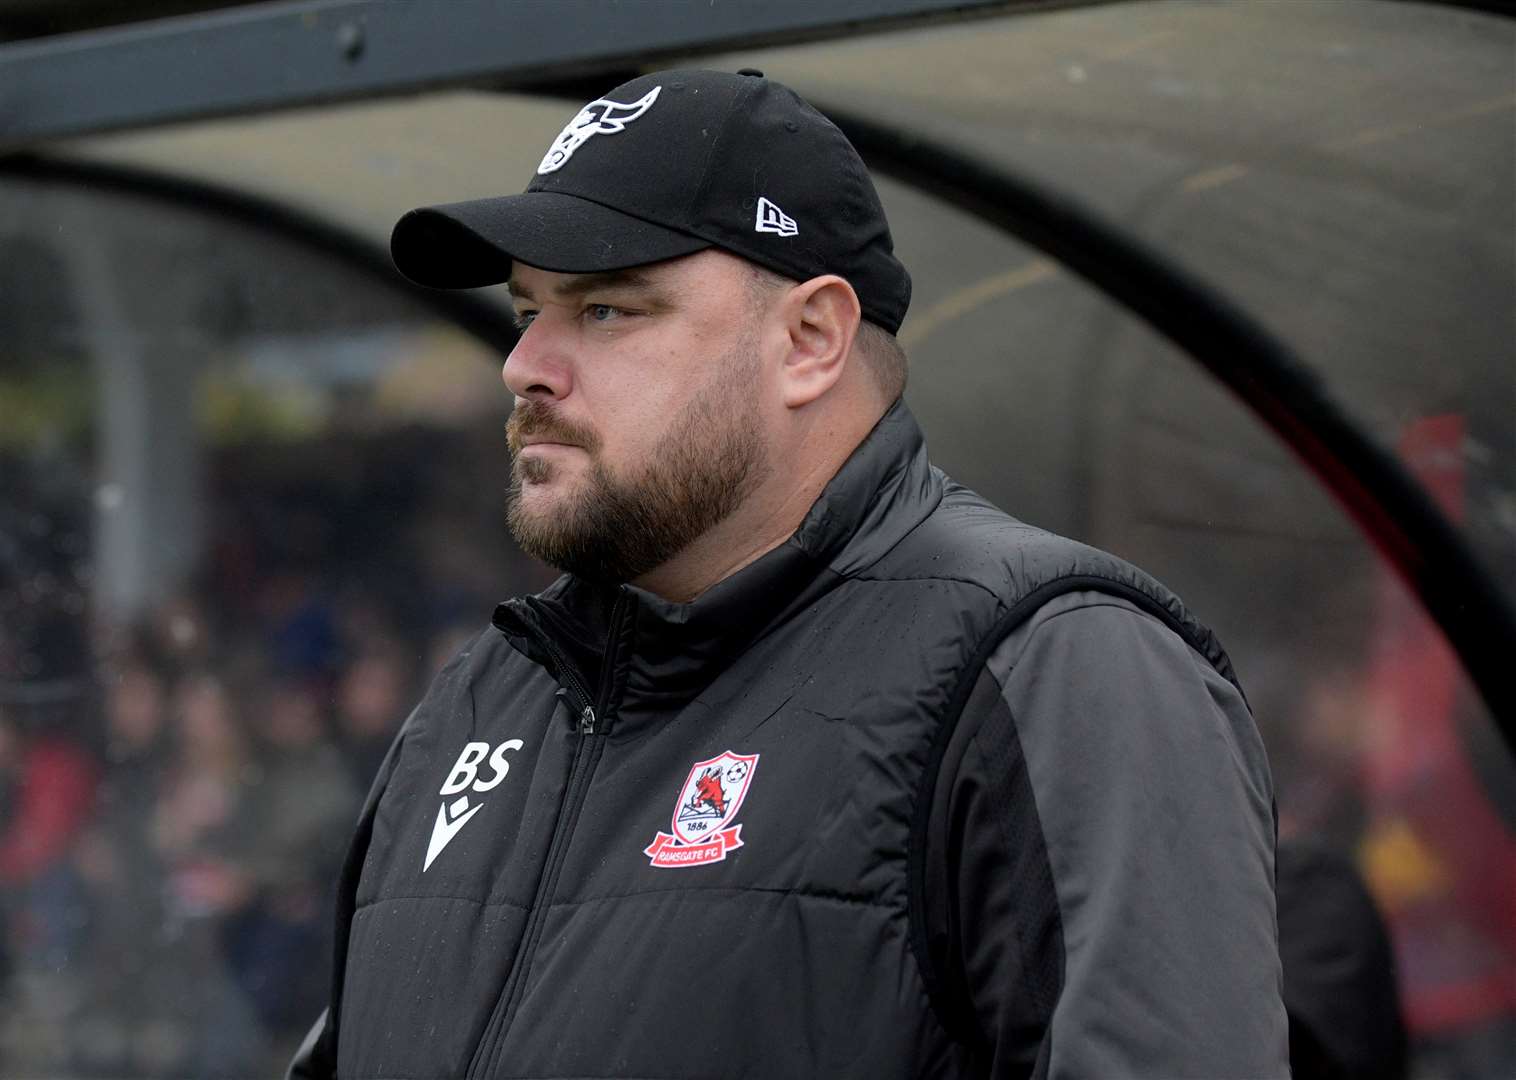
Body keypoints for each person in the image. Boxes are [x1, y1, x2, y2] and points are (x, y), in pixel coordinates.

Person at [290, 69, 1286, 1079]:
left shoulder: (1055, 666)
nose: (524, 365)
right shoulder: (480, 702)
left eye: (604, 311)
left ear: (809, 340)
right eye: (525, 309)